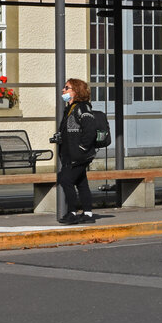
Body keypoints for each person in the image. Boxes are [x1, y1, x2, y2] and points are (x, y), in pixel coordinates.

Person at [53, 78, 97, 225]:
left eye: (67, 88)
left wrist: (82, 149)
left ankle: (72, 213)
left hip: (78, 155)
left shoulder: (83, 108)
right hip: (70, 154)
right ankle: (88, 214)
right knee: (81, 183)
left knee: (66, 180)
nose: (63, 90)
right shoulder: (70, 109)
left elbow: (90, 131)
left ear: (76, 91)